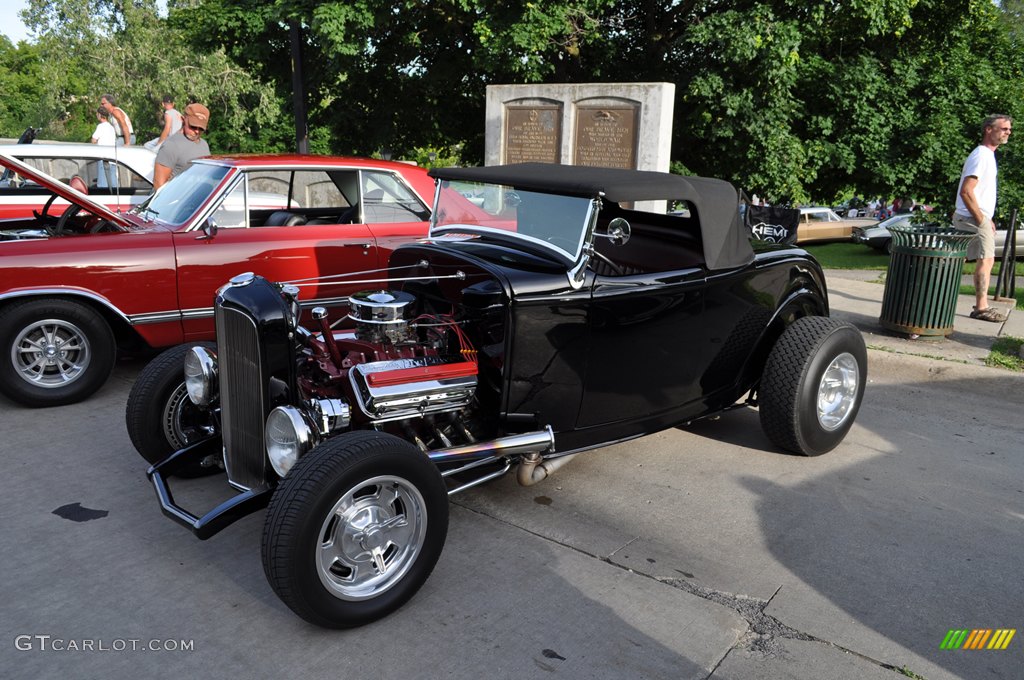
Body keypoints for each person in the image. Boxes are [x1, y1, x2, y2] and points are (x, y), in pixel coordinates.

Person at [953, 114, 1013, 323]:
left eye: (1009, 129)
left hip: (972, 216)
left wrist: (987, 216)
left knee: (956, 260)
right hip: (971, 217)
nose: (1008, 132)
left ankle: (937, 295)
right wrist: (981, 219)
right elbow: (966, 191)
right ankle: (981, 307)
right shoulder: (981, 155)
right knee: (986, 260)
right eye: (1004, 128)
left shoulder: (987, 155)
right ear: (989, 129)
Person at [153, 102, 210, 190]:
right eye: (193, 126)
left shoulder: (204, 145)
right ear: (183, 119)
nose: (197, 131)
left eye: (201, 128)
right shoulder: (171, 145)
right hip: (175, 201)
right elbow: (159, 184)